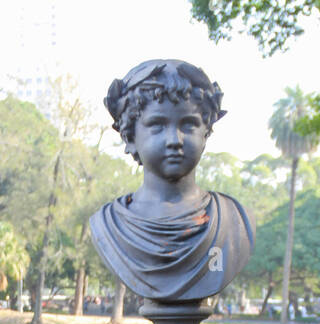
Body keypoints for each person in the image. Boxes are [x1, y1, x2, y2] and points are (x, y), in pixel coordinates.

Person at [90, 59, 254, 301]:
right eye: (157, 125)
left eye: (188, 124)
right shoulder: (108, 225)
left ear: (206, 133)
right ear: (130, 136)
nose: (174, 139)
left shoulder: (234, 220)